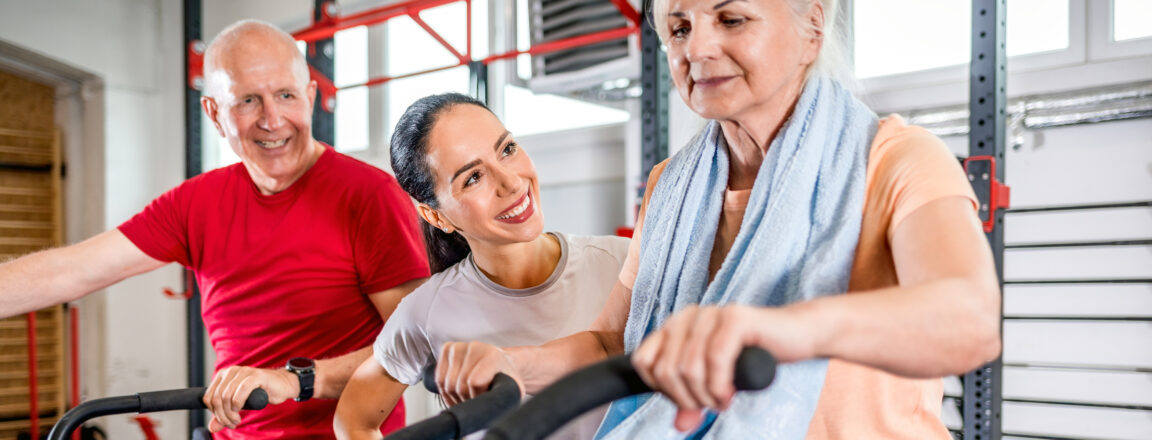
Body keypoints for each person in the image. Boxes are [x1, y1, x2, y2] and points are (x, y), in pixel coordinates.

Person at [431, 0, 1002, 438]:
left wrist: (777, 331)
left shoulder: (896, 159)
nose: (696, 48)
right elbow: (616, 343)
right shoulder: (669, 186)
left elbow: (969, 320)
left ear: (812, 30)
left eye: (731, 19)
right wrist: (513, 365)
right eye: (679, 27)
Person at [0, 20, 430, 438]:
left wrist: (296, 380)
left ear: (311, 95)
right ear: (214, 113)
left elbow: (416, 344)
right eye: (247, 101)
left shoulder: (369, 195)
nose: (272, 119)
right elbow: (71, 270)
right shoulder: (195, 203)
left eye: (285, 95)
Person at [331, 93, 629, 440]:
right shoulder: (426, 311)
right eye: (473, 177)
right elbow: (353, 419)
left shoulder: (622, 264)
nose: (512, 182)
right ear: (434, 215)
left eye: (507, 149)